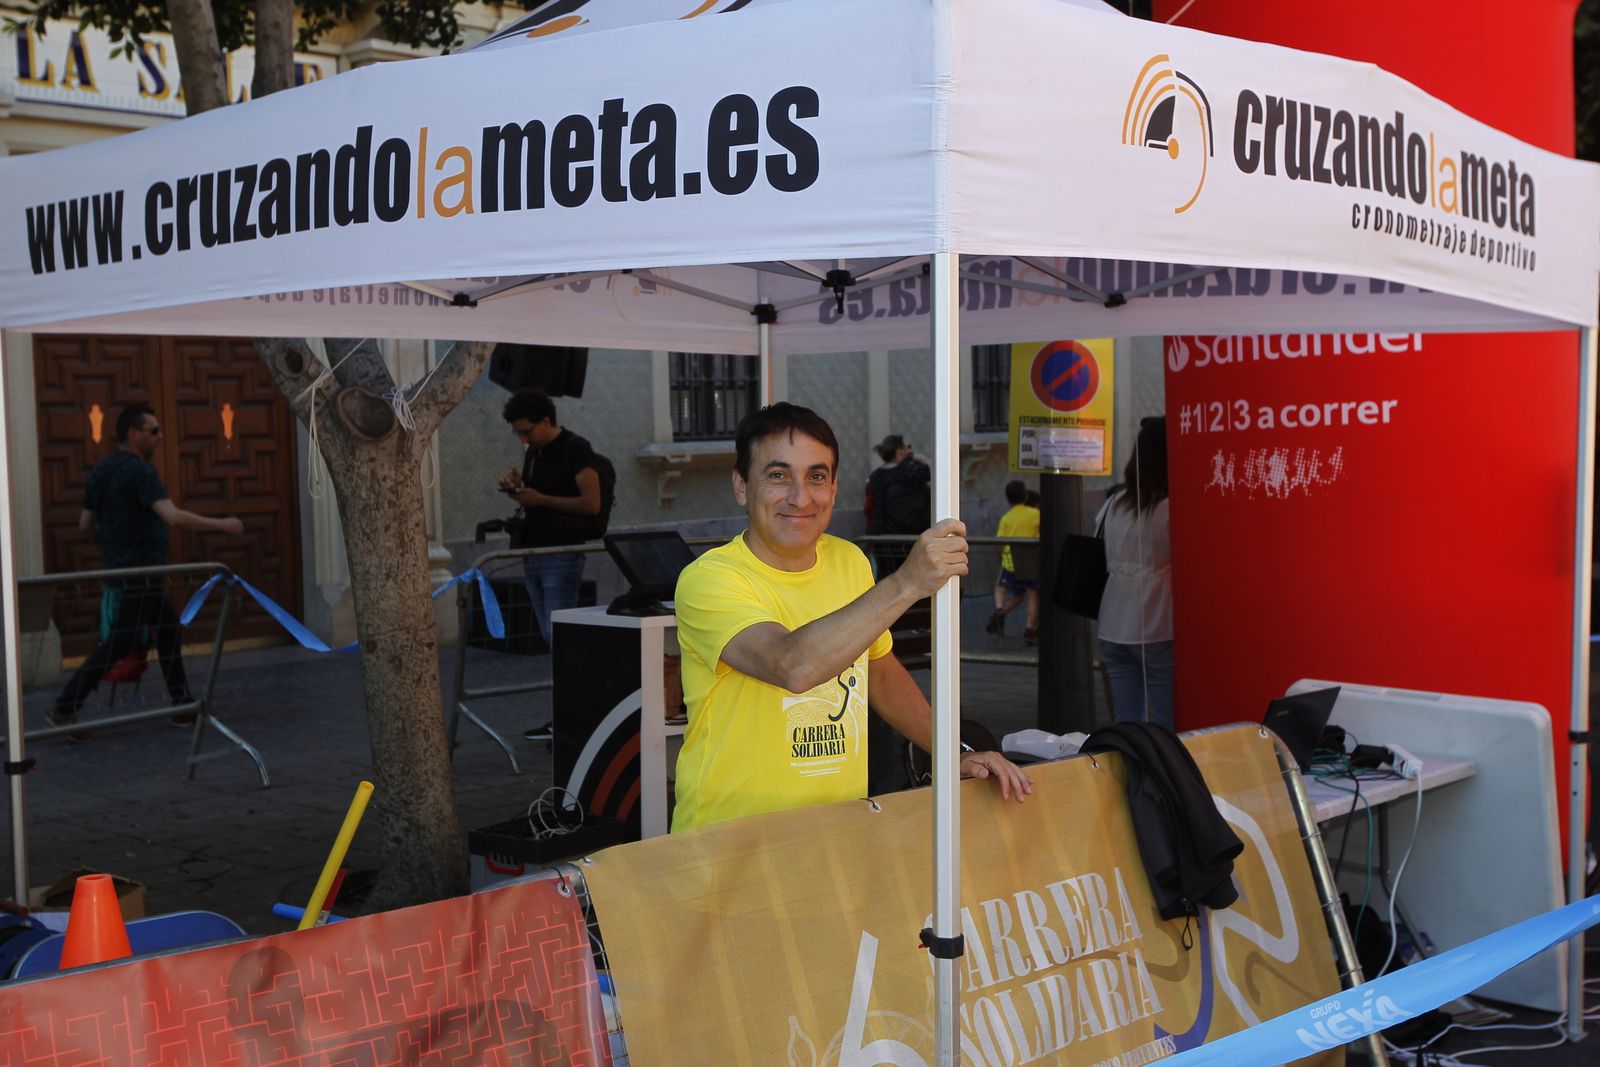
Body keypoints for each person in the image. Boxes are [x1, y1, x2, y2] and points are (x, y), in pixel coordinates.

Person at [671, 402, 1032, 831]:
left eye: (816, 477)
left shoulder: (849, 561)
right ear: (741, 485)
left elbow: (878, 671)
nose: (800, 497)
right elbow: (792, 665)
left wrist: (954, 752)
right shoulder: (708, 579)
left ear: (834, 487)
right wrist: (907, 582)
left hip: (837, 831)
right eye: (777, 475)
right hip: (729, 839)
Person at [49, 403, 244, 738]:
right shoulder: (141, 473)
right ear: (133, 433)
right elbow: (172, 516)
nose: (160, 437)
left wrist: (114, 545)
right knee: (121, 641)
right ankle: (65, 706)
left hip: (126, 571)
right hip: (141, 571)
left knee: (167, 628)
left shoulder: (101, 471)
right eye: (153, 431)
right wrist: (223, 525)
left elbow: (84, 525)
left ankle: (182, 705)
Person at [497, 388, 601, 740]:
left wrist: (539, 498)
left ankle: (574, 714)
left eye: (527, 431)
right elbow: (538, 498)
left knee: (561, 637)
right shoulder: (535, 453)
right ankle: (565, 714)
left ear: (546, 421)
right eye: (518, 434)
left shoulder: (575, 449)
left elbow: (591, 504)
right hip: (535, 550)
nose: (523, 439)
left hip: (560, 552)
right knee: (550, 635)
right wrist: (519, 491)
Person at [1096, 416, 1174, 730]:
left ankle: (1131, 774)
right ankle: (1165, 777)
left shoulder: (1114, 504)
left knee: (1127, 723)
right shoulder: (1169, 508)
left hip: (1112, 621)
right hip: (1158, 622)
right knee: (1166, 723)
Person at [863, 434, 930, 577]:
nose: (911, 451)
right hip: (906, 538)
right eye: (909, 447)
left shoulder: (875, 476)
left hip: (880, 537)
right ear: (899, 450)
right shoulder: (908, 472)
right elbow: (935, 471)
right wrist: (921, 459)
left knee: (886, 576)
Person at [986, 480, 1041, 645]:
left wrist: (1002, 556)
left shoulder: (1006, 517)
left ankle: (999, 609)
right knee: (1032, 595)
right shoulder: (1035, 514)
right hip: (1031, 562)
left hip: (1010, 562)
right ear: (1025, 496)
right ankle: (1030, 629)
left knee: (1002, 589)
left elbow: (1000, 542)